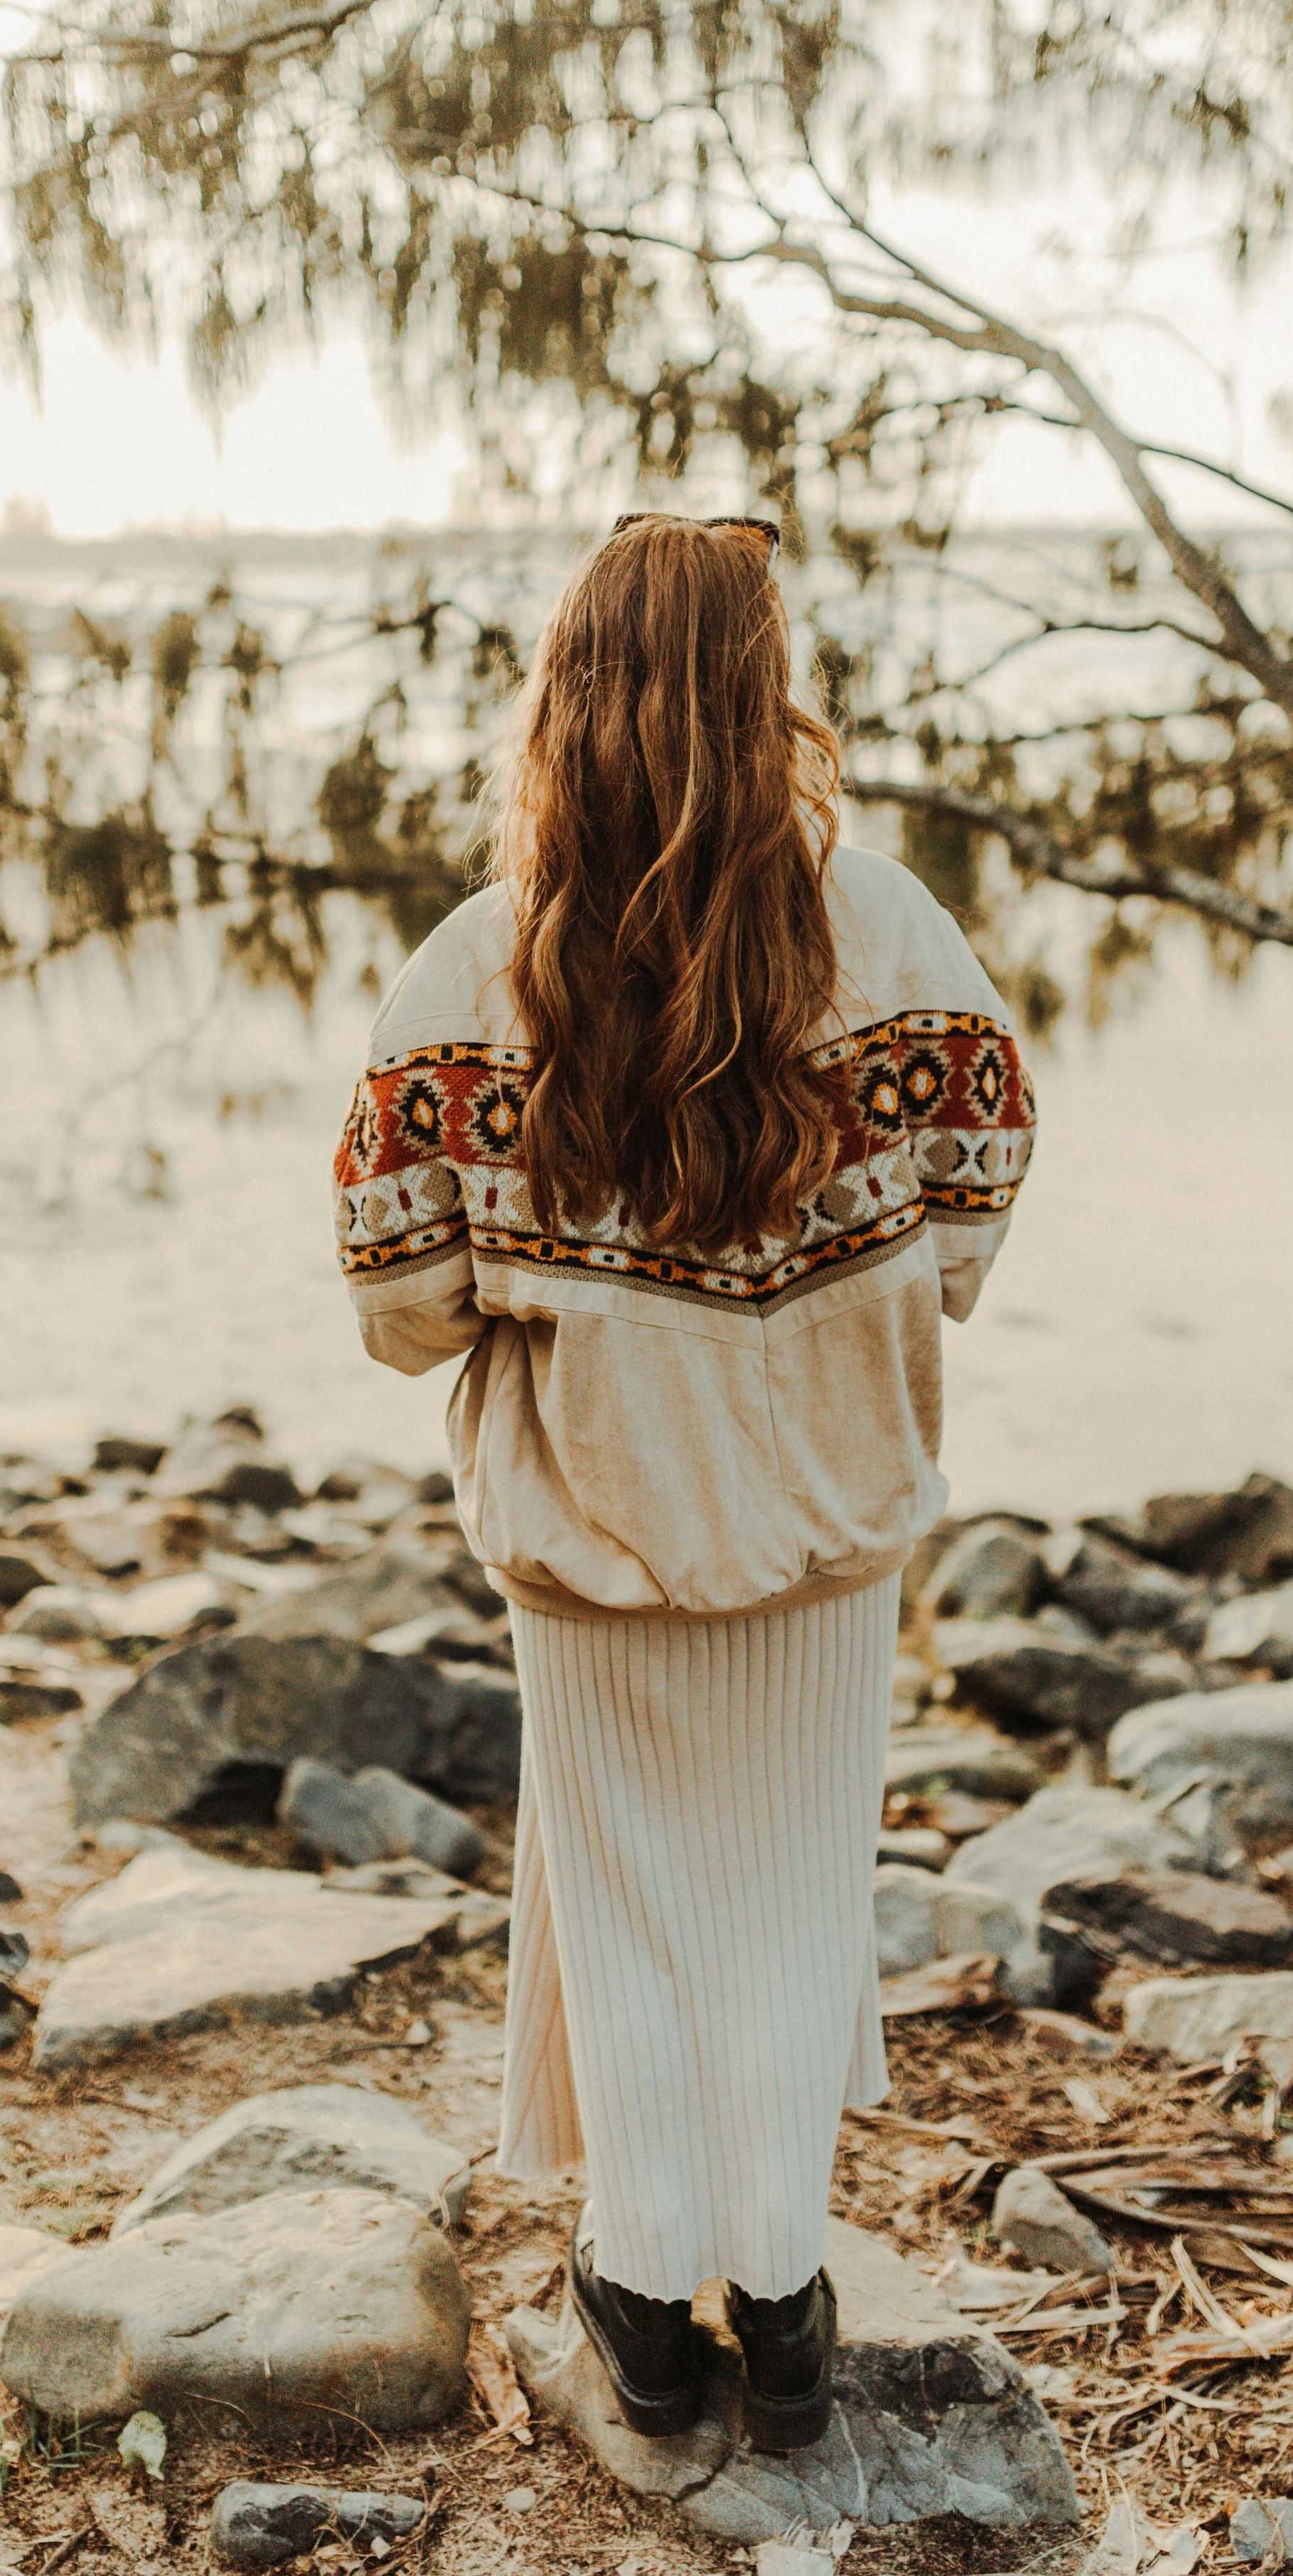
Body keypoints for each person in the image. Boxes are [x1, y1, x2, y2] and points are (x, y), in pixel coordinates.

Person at [333, 511, 1036, 2451]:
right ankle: (786, 2308)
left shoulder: (477, 968)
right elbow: (976, 1196)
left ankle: (647, 2312)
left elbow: (396, 1297)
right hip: (823, 1532)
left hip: (593, 1531)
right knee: (799, 1897)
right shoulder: (889, 927)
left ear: (570, 696)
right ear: (764, 694)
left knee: (628, 1901)